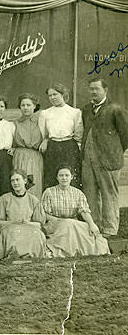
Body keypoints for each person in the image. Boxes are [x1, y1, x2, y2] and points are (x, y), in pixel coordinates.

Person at [81, 77, 128, 238]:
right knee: (90, 194)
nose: (93, 91)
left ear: (105, 90)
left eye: (97, 89)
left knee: (109, 194)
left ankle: (110, 230)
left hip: (109, 161)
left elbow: (125, 135)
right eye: (91, 89)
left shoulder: (116, 109)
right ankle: (95, 227)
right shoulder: (86, 109)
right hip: (88, 160)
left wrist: (114, 152)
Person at [42, 165, 109, 257]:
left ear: (71, 177)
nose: (64, 178)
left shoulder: (77, 193)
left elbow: (84, 211)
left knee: (90, 236)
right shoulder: (49, 192)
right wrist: (59, 221)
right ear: (57, 177)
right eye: (61, 175)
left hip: (73, 223)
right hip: (54, 223)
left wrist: (92, 224)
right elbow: (44, 213)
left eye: (66, 175)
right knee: (68, 226)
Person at [0, 169, 46, 260]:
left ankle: (32, 258)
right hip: (10, 228)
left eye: (18, 180)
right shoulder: (4, 199)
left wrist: (27, 223)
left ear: (25, 181)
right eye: (12, 181)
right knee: (14, 233)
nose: (15, 183)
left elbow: (39, 224)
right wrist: (13, 222)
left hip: (29, 227)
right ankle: (14, 257)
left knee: (36, 233)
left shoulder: (33, 200)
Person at [39, 82, 83, 189]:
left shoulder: (74, 112)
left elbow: (78, 133)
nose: (52, 97)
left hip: (69, 146)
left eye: (55, 94)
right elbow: (44, 133)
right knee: (52, 175)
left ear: (63, 94)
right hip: (52, 147)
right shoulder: (45, 113)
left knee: (70, 175)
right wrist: (45, 140)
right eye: (50, 95)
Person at [12, 93, 44, 197]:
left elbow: (49, 134)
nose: (25, 108)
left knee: (34, 186)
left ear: (34, 106)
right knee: (19, 184)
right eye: (23, 105)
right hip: (19, 157)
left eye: (28, 105)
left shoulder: (41, 121)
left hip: (35, 157)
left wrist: (46, 140)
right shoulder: (15, 123)